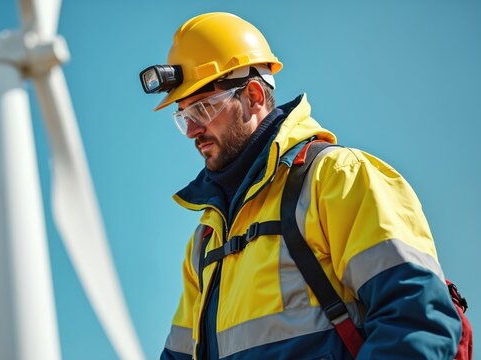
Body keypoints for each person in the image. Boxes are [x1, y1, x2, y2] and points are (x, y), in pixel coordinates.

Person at [140, 12, 462, 360]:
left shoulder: (337, 178)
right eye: (184, 116)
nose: (192, 130)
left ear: (253, 96)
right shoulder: (206, 239)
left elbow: (416, 319)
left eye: (202, 109)